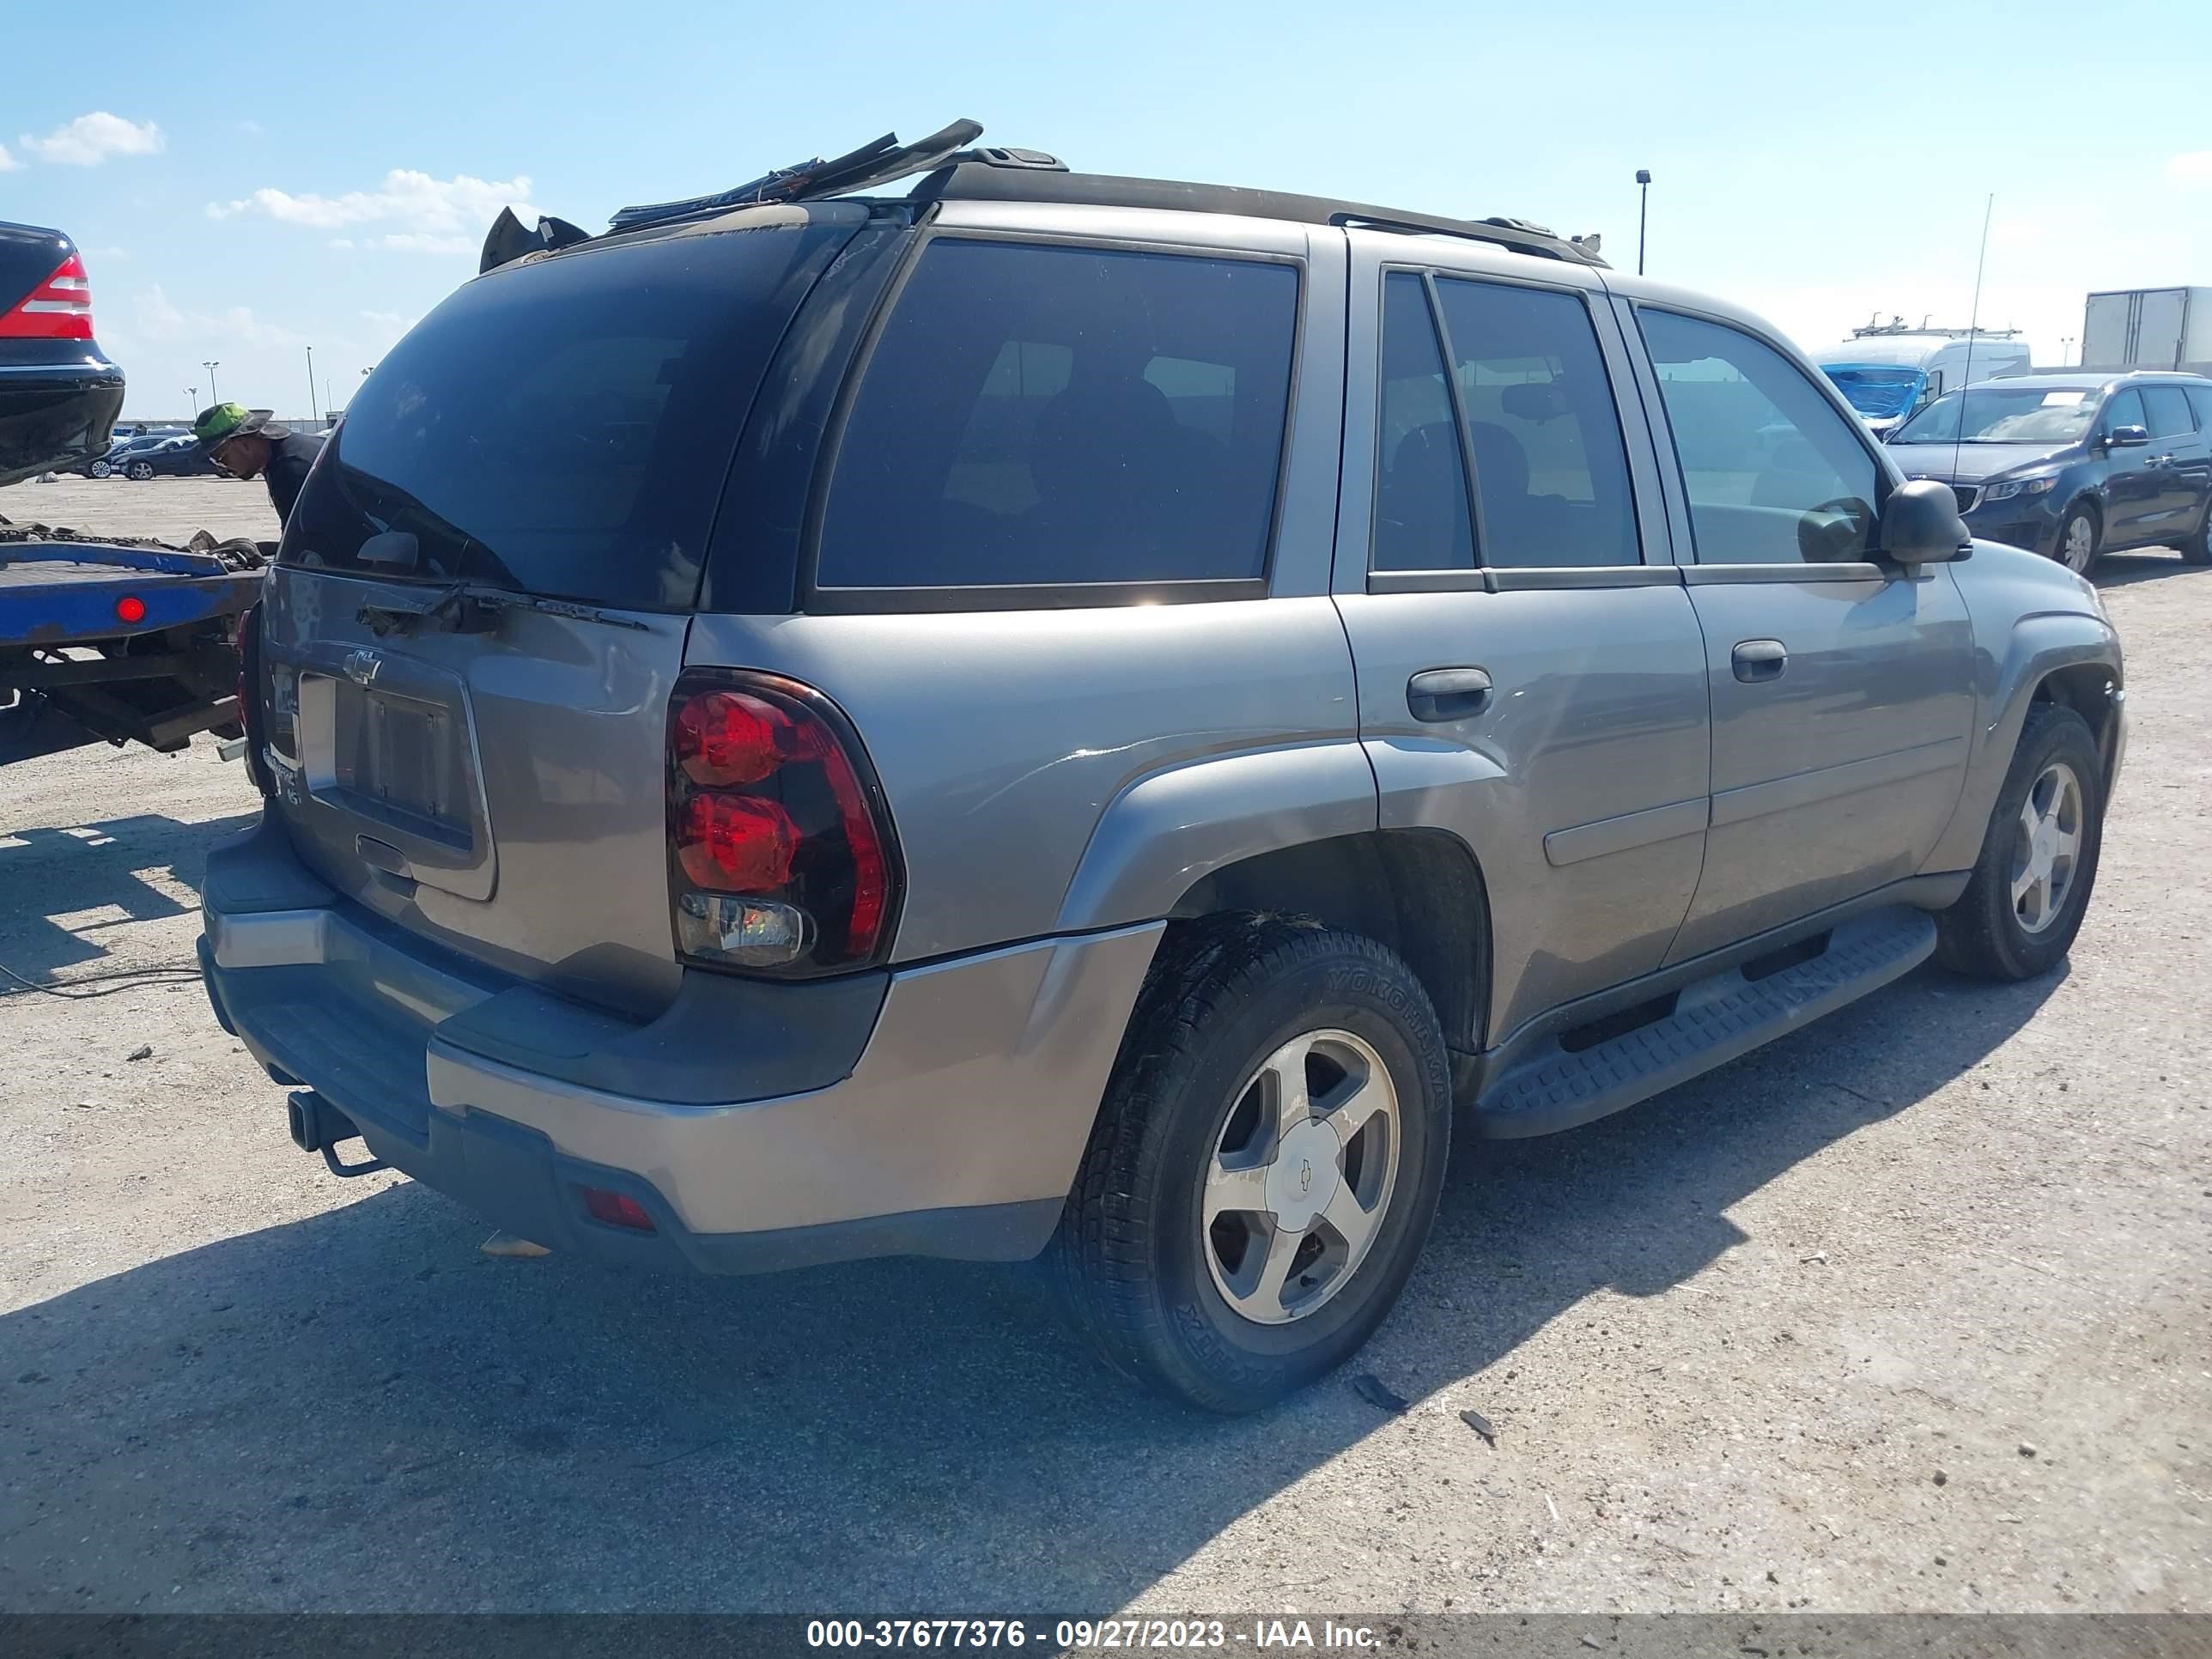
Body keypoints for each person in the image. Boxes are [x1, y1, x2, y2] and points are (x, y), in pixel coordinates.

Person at [191, 402, 326, 524]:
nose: (223, 468)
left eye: (220, 458)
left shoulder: (291, 470)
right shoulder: (288, 451)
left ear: (244, 444)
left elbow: (309, 539)